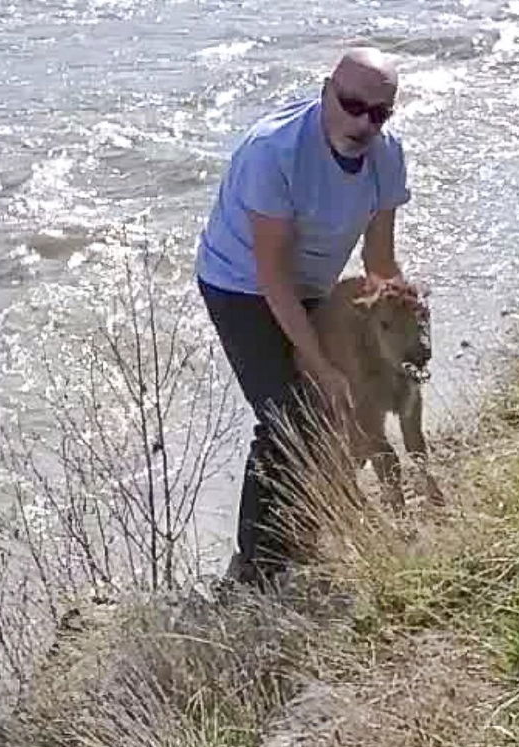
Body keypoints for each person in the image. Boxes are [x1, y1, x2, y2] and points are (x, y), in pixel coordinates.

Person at [194, 46, 411, 586]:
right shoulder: (275, 152)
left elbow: (379, 261)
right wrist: (320, 365)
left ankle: (306, 526)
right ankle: (256, 570)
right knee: (291, 412)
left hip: (314, 283)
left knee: (356, 402)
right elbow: (273, 276)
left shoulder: (387, 157)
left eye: (378, 113)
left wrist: (403, 320)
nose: (363, 122)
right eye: (352, 104)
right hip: (241, 284)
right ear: (326, 91)